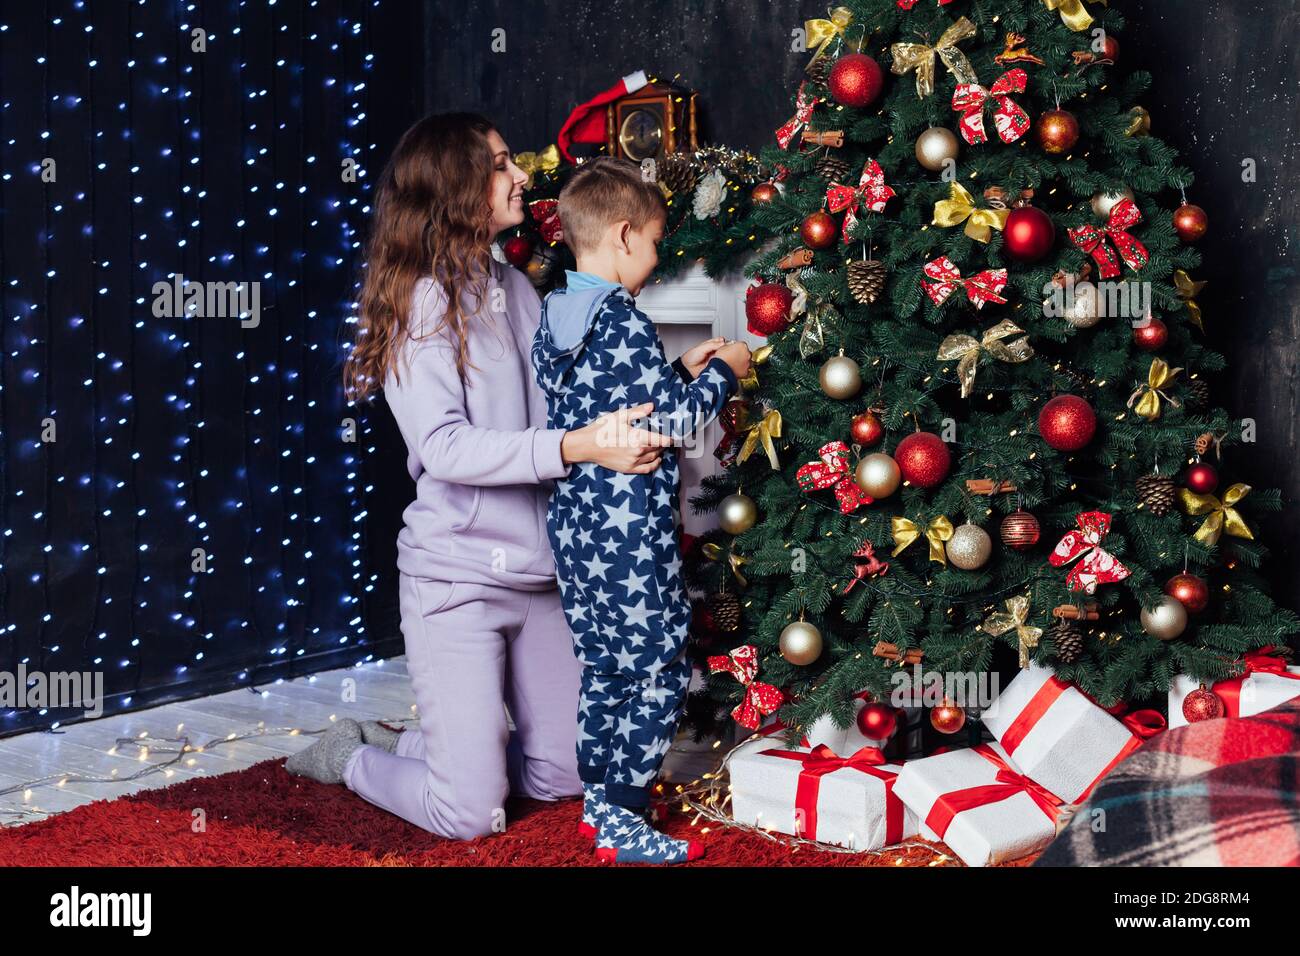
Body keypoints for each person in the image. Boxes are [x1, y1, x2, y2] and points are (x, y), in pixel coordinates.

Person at [287, 113, 724, 841]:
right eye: (499, 165)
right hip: (456, 578)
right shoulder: (421, 303)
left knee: (563, 775)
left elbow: (582, 406)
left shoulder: (516, 287)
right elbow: (448, 448)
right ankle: (353, 756)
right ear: (456, 187)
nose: (521, 174)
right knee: (470, 816)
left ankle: (441, 750)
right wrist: (580, 449)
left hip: (542, 577)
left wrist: (678, 381)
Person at [531, 157, 751, 863]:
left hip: (576, 525)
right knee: (657, 666)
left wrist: (673, 373)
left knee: (605, 669)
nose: (657, 257)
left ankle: (599, 801)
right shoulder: (622, 319)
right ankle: (626, 817)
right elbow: (668, 425)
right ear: (624, 235)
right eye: (656, 241)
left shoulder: (560, 309)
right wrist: (723, 372)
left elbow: (612, 404)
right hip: (627, 533)